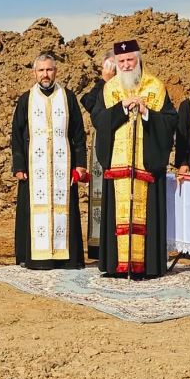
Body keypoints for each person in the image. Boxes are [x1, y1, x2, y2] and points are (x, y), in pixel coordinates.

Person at [91, 39, 177, 277]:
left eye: (131, 60)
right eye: (122, 61)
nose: (127, 65)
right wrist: (121, 108)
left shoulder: (155, 87)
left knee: (146, 214)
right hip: (119, 167)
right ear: (116, 63)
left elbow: (170, 121)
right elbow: (98, 120)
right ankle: (117, 265)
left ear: (139, 60)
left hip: (146, 165)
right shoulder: (109, 90)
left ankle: (147, 266)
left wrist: (148, 112)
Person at [10, 54, 87, 270]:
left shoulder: (68, 97)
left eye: (49, 70)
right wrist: (19, 166)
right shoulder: (26, 99)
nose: (45, 74)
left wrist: (80, 164)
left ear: (56, 71)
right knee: (34, 210)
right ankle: (36, 257)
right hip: (35, 170)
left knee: (65, 210)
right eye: (41, 70)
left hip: (62, 168)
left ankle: (66, 258)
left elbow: (79, 134)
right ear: (34, 73)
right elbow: (16, 135)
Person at [80, 50, 115, 260]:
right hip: (102, 145)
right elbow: (89, 102)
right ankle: (99, 243)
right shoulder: (103, 86)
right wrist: (105, 82)